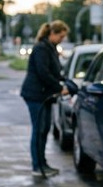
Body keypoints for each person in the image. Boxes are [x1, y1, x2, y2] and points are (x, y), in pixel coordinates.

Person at [20, 20, 69, 177]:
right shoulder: (41, 48)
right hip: (35, 95)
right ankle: (37, 166)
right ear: (52, 34)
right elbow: (43, 73)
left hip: (44, 95)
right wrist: (60, 88)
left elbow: (55, 72)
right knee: (39, 129)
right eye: (61, 36)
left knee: (44, 129)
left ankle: (42, 163)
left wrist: (66, 81)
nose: (62, 39)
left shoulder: (51, 48)